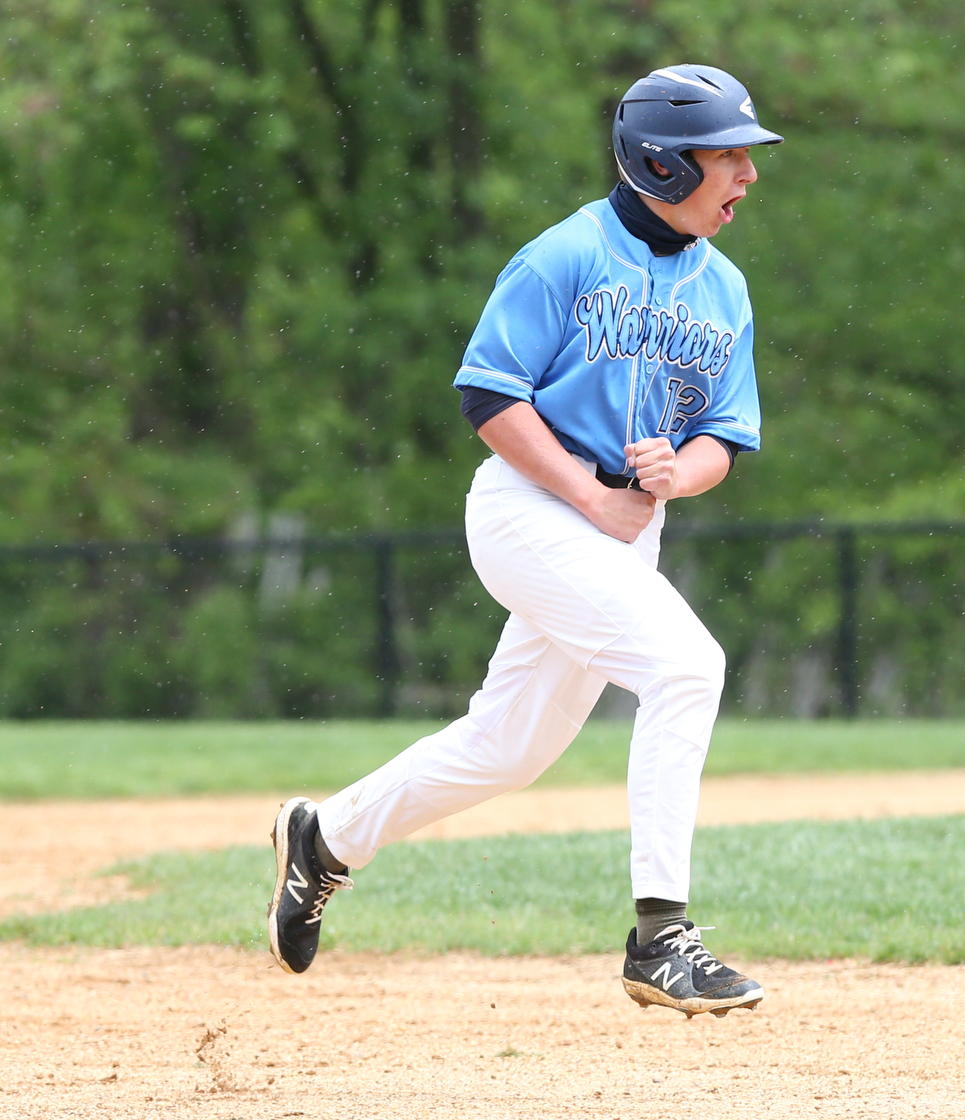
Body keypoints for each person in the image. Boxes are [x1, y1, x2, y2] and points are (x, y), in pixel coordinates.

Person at [267, 64, 781, 1019]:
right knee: (688, 668)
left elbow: (726, 437)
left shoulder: (726, 288)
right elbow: (490, 397)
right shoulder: (564, 255)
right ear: (664, 165)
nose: (747, 176)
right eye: (729, 156)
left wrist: (680, 474)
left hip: (622, 531)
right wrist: (590, 493)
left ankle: (326, 839)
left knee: (509, 748)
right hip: (531, 510)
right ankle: (662, 937)